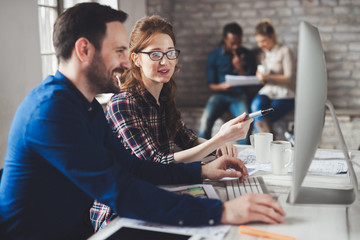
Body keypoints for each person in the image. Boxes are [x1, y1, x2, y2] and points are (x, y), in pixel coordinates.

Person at [0, 3, 285, 239]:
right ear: (84, 50)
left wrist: (203, 172)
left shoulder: (85, 107)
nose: (127, 62)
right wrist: (222, 212)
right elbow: (120, 189)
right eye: (120, 51)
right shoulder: (51, 113)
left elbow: (135, 167)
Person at [91, 15, 253, 230]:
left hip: (156, 194)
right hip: (118, 214)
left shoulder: (162, 96)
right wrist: (218, 139)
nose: (165, 61)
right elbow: (155, 163)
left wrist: (221, 146)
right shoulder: (123, 103)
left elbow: (188, 139)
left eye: (170, 53)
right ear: (136, 59)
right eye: (155, 54)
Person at [199, 22, 257, 144]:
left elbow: (251, 84)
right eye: (232, 43)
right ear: (224, 40)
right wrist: (222, 86)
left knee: (245, 123)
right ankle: (203, 154)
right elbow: (211, 85)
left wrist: (240, 68)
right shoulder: (214, 56)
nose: (236, 46)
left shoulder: (247, 55)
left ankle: (243, 156)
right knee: (205, 121)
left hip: (239, 96)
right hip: (220, 95)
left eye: (238, 43)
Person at [251, 19, 296, 133]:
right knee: (256, 105)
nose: (260, 45)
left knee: (262, 118)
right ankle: (270, 142)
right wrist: (260, 77)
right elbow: (264, 80)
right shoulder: (263, 55)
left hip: (285, 93)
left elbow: (288, 78)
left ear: (272, 36)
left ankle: (265, 145)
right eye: (258, 41)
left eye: (263, 41)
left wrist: (267, 77)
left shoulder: (285, 51)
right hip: (268, 91)